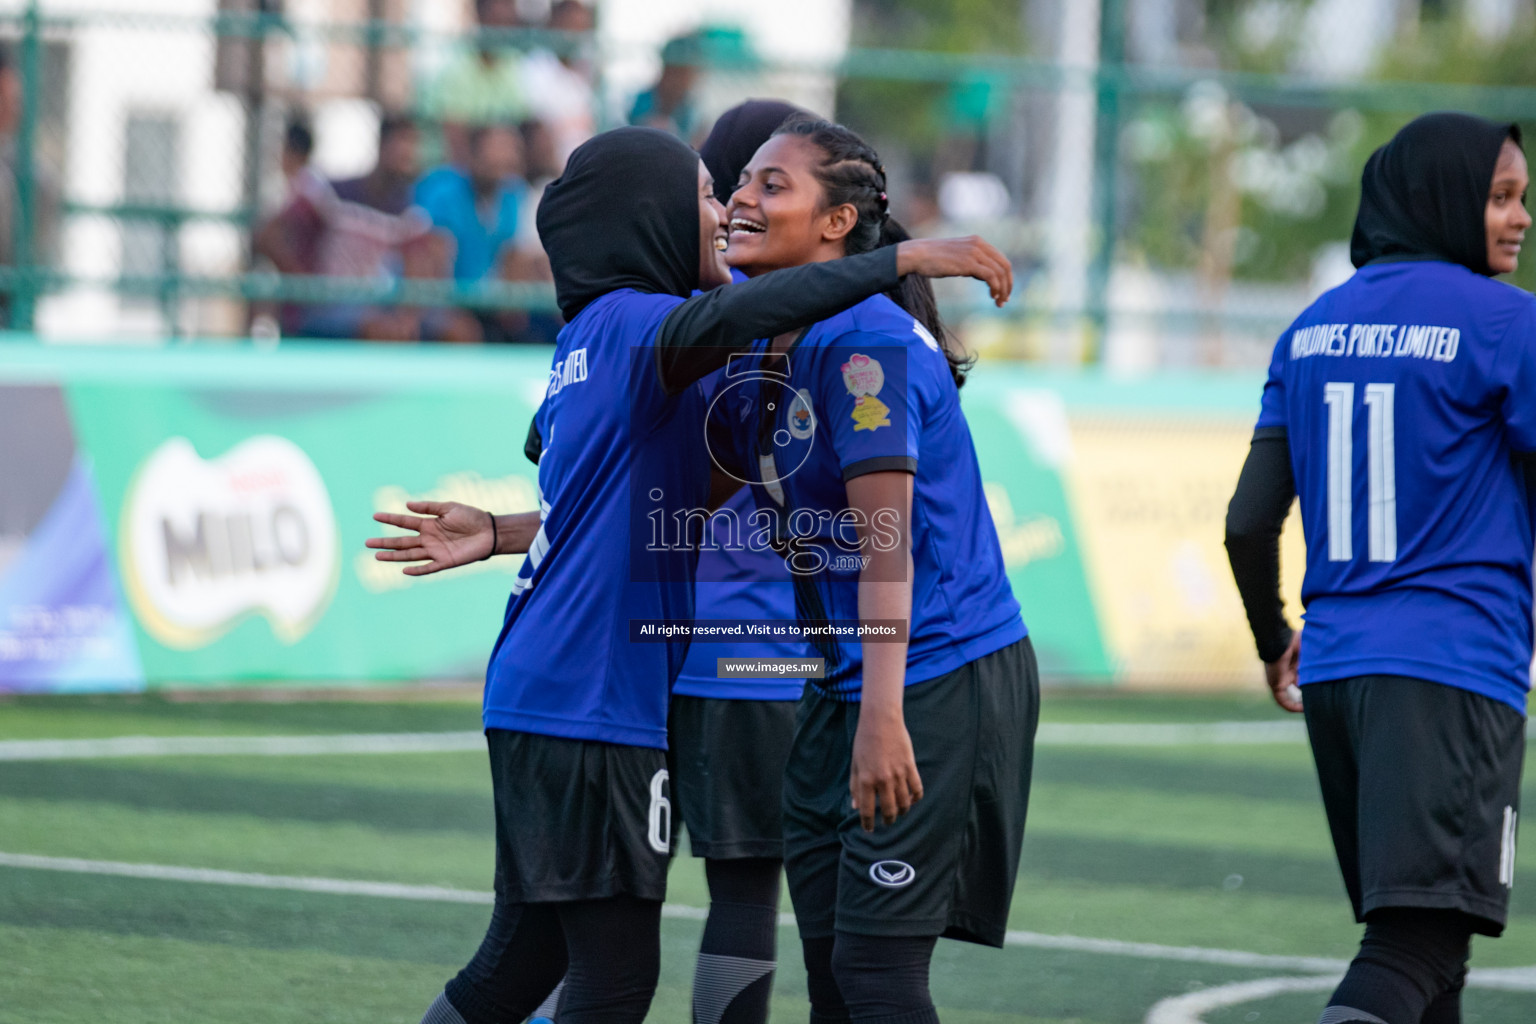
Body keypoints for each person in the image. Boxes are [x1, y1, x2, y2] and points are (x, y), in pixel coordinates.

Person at [366, 125, 1012, 1024]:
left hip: (557, 688)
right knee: (625, 971)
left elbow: (617, 496)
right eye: (711, 194)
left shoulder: (589, 335)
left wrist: (506, 530)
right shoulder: (646, 324)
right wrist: (906, 254)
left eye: (750, 188)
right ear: (650, 221)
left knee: (522, 962)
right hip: (597, 699)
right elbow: (746, 323)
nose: (728, 211)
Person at [710, 117, 1037, 1024]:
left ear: (839, 224)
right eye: (741, 180)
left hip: (928, 675)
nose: (742, 198)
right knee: (834, 979)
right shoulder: (757, 341)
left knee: (878, 979)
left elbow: (882, 544)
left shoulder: (867, 346)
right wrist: (502, 530)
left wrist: (884, 717)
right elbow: (687, 501)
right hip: (844, 683)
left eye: (774, 185)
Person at [1224, 111, 1533, 1024]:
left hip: (1337, 671)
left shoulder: (1310, 328)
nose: (1521, 219)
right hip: (1452, 669)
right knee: (1416, 945)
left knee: (1433, 958)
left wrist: (1274, 638)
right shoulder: (1507, 324)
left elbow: (1247, 523)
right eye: (1502, 198)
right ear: (1444, 200)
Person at [655, 98, 815, 1024]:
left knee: (599, 907)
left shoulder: (674, 318)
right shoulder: (788, 322)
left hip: (668, 648)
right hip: (761, 656)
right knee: (755, 896)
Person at [430, 0, 531, 166]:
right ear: (480, 17)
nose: (503, 29)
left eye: (508, 22)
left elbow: (519, 127)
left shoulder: (513, 64)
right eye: (497, 21)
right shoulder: (455, 66)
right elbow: (455, 141)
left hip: (501, 169)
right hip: (457, 170)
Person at [521, 0, 597, 167]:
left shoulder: (589, 70)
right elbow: (536, 129)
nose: (574, 35)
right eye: (570, 26)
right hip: (551, 169)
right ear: (554, 24)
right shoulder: (537, 66)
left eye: (580, 28)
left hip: (587, 165)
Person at [629, 34, 704, 142]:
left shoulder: (694, 110)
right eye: (675, 72)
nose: (679, 80)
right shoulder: (639, 102)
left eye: (686, 73)